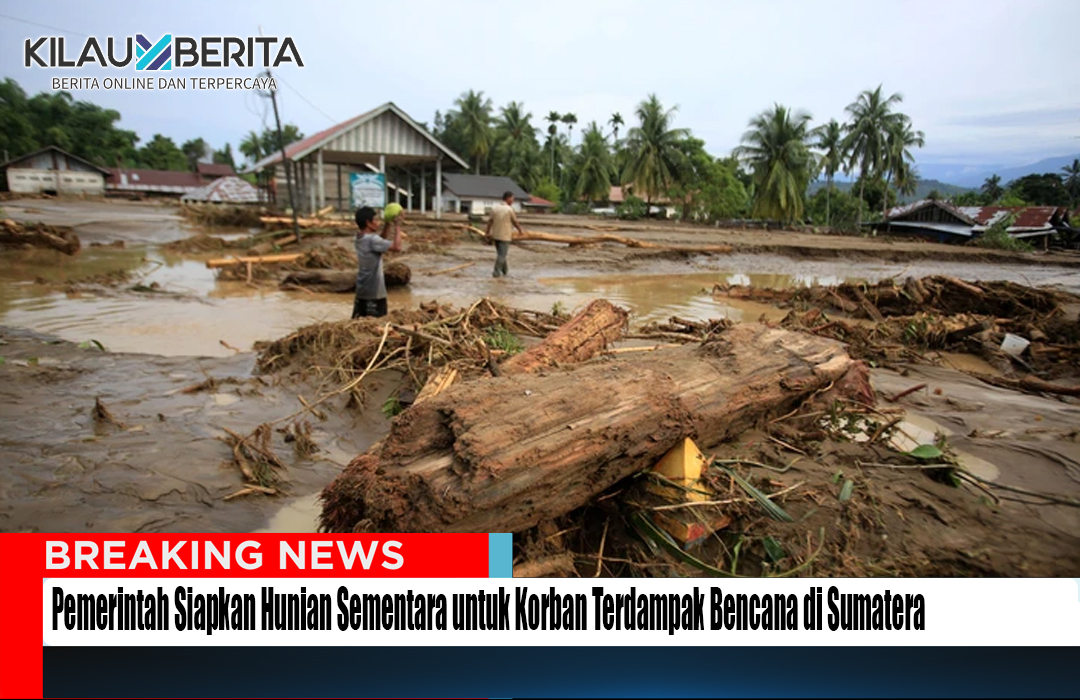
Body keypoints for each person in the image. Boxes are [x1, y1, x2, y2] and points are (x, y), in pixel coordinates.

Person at [352, 205, 402, 319]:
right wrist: (397, 226)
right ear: (368, 223)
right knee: (377, 328)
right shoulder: (372, 240)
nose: (378, 222)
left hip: (362, 290)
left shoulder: (359, 237)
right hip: (375, 293)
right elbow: (397, 247)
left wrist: (388, 224)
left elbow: (380, 241)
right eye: (375, 220)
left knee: (358, 324)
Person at [485, 191, 524, 278]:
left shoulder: (495, 209)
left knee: (501, 254)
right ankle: (496, 272)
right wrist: (520, 231)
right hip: (505, 236)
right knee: (502, 255)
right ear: (508, 198)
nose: (513, 201)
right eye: (512, 199)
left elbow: (489, 222)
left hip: (496, 235)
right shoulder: (509, 209)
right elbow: (515, 222)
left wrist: (487, 232)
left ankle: (505, 271)